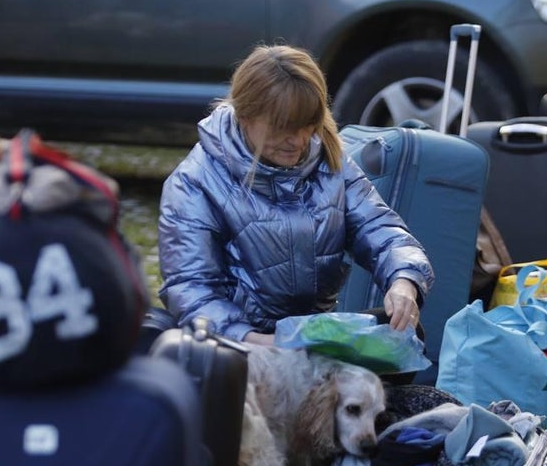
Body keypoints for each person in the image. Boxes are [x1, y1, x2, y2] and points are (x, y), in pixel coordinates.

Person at [157, 44, 434, 346]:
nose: (298, 140)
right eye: (283, 128)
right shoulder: (195, 182)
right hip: (238, 346)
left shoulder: (331, 161)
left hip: (313, 338)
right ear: (245, 115)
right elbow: (192, 289)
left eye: (308, 126)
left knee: (403, 335)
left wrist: (404, 280)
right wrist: (258, 342)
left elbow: (380, 229)